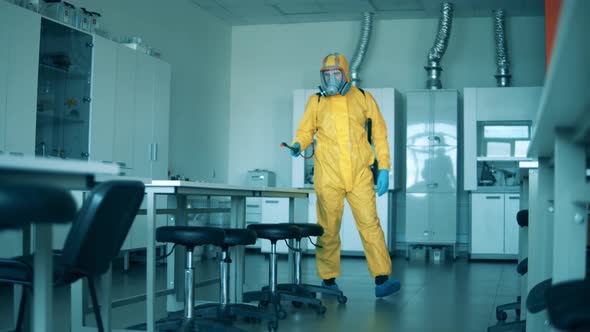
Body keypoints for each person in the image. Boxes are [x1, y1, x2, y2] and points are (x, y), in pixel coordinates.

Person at [288, 52, 400, 298]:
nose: (331, 79)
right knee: (327, 229)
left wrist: (384, 169)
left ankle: (382, 279)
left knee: (371, 225)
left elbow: (379, 135)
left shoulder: (363, 98)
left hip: (360, 175)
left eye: (335, 73)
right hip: (328, 175)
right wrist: (298, 144)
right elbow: (305, 130)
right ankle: (328, 282)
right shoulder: (316, 101)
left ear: (346, 74)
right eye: (326, 74)